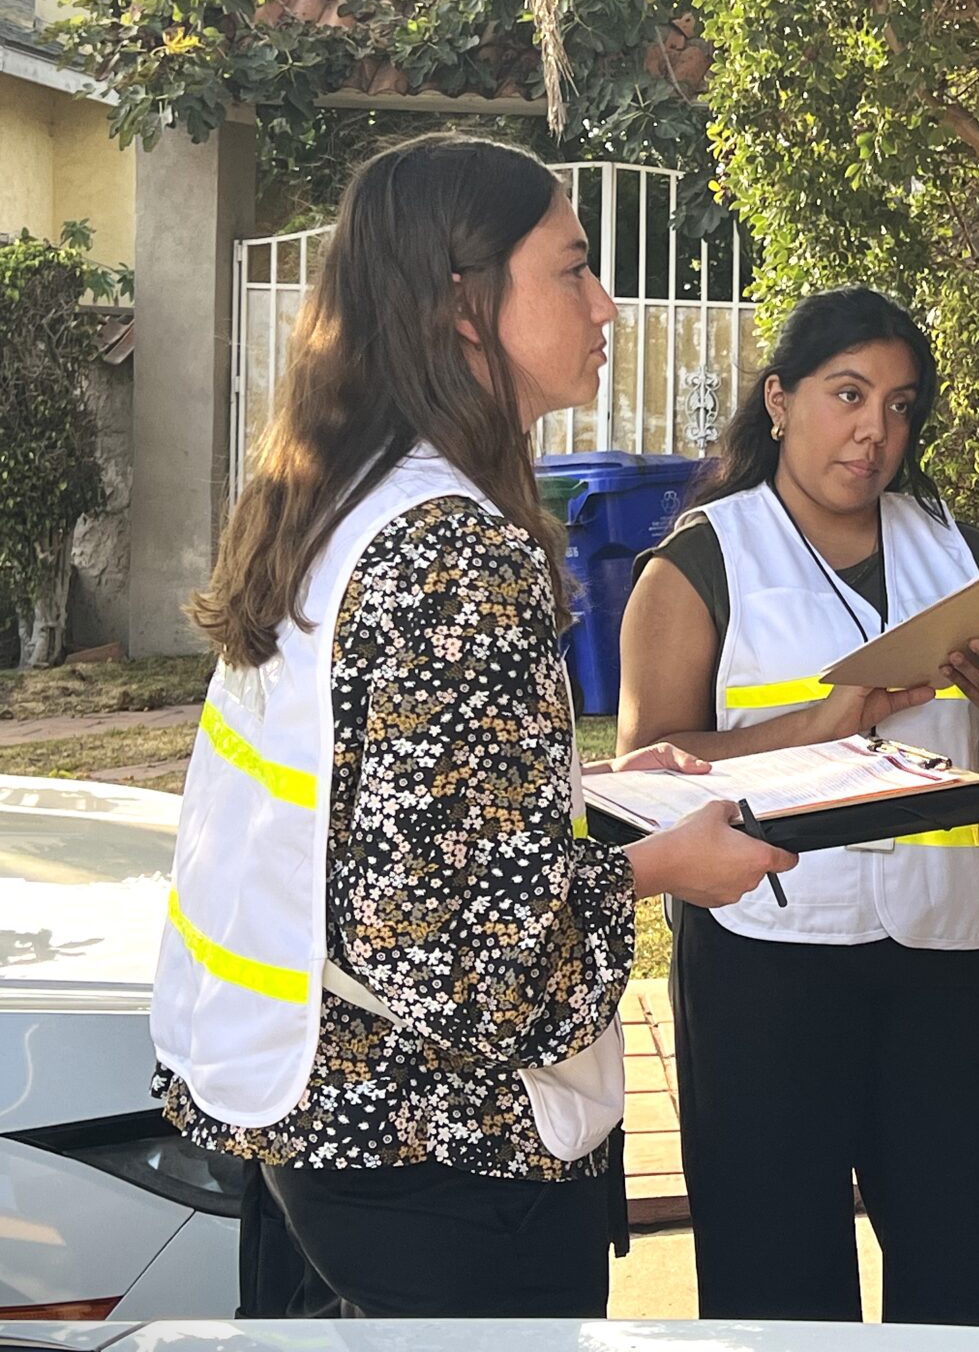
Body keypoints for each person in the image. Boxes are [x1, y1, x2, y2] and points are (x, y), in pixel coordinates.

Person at [151, 132, 795, 1319]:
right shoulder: (455, 552)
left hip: (326, 1122)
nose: (606, 304)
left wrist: (577, 805)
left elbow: (390, 825)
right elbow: (468, 958)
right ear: (463, 304)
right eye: (572, 269)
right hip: (450, 1160)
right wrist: (663, 866)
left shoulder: (337, 497)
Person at [617, 287, 979, 1325]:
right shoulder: (703, 562)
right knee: (778, 1283)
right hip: (769, 972)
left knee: (976, 1273)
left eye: (901, 406)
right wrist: (817, 724)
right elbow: (638, 778)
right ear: (779, 399)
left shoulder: (961, 549)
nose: (875, 430)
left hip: (951, 970)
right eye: (847, 394)